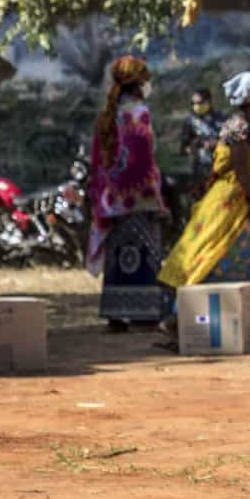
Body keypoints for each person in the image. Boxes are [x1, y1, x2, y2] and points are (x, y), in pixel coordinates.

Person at [158, 68, 250, 348]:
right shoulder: (238, 128)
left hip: (246, 208)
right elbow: (244, 177)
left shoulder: (245, 127)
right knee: (215, 263)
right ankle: (182, 324)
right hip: (230, 209)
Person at [86, 56, 169, 331]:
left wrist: (102, 194)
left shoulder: (107, 116)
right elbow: (141, 161)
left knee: (118, 255)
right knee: (145, 253)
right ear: (139, 83)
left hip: (111, 201)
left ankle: (116, 314)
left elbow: (98, 161)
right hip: (139, 199)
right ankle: (143, 314)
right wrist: (155, 196)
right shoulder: (140, 113)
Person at [179, 87, 224, 195]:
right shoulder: (190, 122)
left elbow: (233, 142)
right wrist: (193, 147)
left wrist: (216, 144)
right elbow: (183, 149)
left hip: (221, 168)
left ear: (209, 101)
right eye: (193, 103)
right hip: (200, 170)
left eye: (200, 102)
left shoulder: (222, 119)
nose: (196, 106)